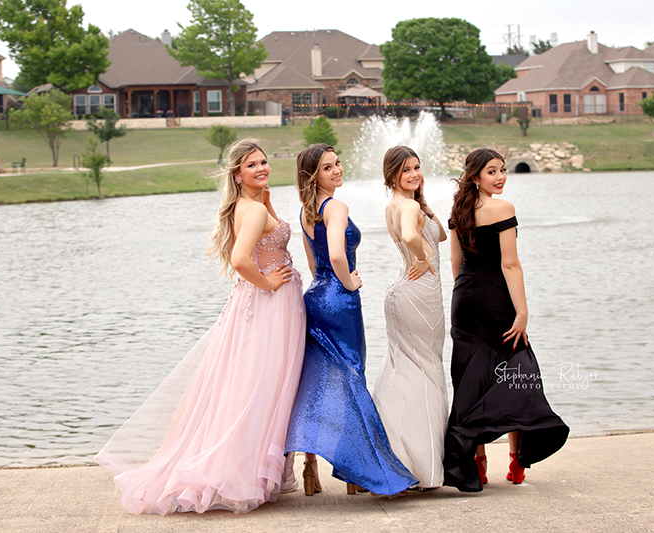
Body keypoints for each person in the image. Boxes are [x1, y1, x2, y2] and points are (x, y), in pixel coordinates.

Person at [95, 139, 306, 514]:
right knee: (261, 385)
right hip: (269, 305)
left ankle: (253, 469)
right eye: (252, 165)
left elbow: (259, 244)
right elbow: (242, 260)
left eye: (263, 162)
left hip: (257, 303)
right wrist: (271, 283)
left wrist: (269, 204)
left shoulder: (251, 205)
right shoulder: (253, 211)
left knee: (250, 383)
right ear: (238, 174)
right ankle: (241, 472)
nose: (261, 169)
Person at [285, 143, 418, 497]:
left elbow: (313, 265)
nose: (338, 170)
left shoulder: (306, 210)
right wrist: (348, 282)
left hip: (315, 297)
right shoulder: (337, 206)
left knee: (317, 385)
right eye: (328, 168)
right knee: (351, 378)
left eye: (338, 163)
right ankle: (362, 471)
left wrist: (329, 280)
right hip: (339, 301)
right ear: (314, 176)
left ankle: (310, 468)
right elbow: (333, 255)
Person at [444, 148, 569, 493]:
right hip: (496, 298)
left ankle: (477, 461)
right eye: (491, 172)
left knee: (471, 376)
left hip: (464, 298)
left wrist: (464, 297)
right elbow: (510, 264)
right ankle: (516, 460)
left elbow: (455, 263)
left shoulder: (458, 210)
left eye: (502, 171)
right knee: (516, 370)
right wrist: (522, 312)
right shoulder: (503, 208)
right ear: (475, 176)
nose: (500, 177)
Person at [371, 146, 448, 489]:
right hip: (421, 293)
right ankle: (422, 464)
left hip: (402, 292)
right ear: (392, 176)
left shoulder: (399, 205)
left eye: (417, 167)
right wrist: (424, 259)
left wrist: (426, 209)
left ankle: (392, 455)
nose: (415, 174)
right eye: (406, 171)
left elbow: (441, 234)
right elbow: (410, 236)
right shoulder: (410, 206)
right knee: (427, 372)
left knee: (403, 371)